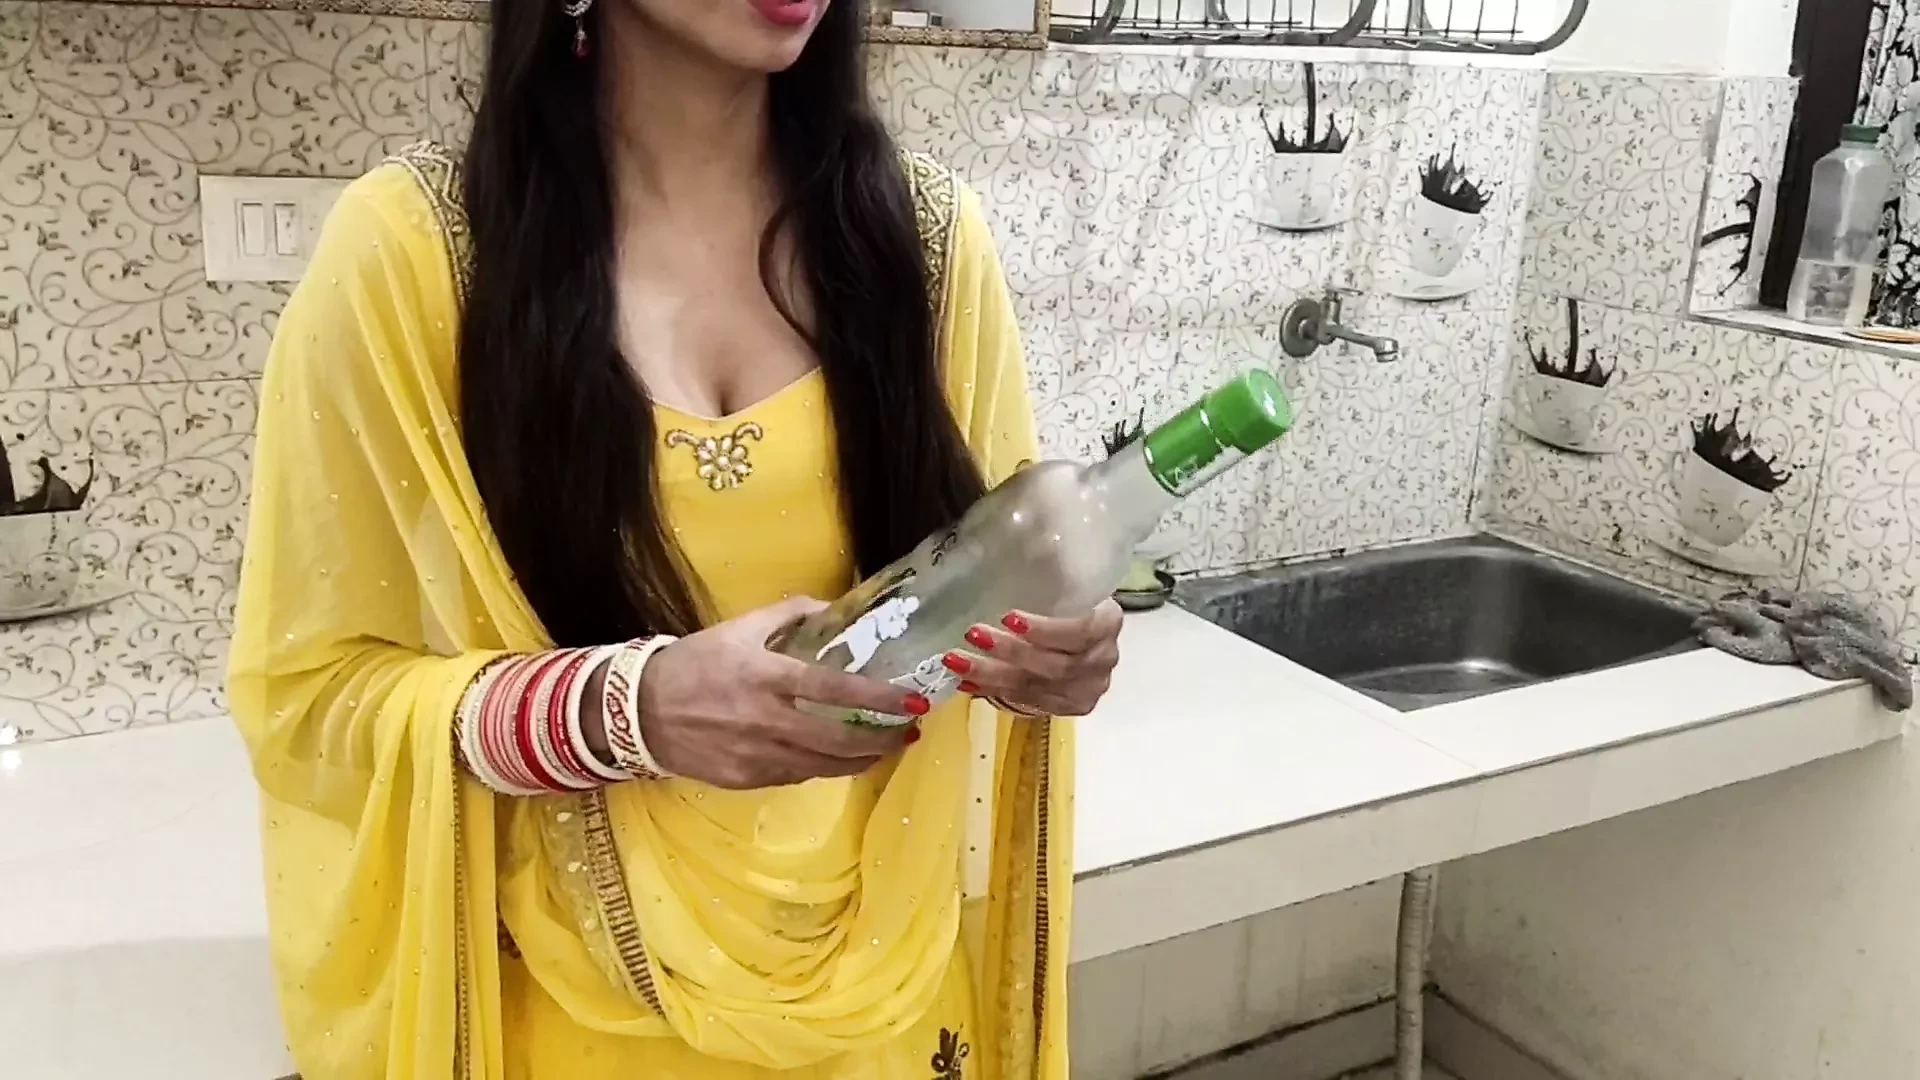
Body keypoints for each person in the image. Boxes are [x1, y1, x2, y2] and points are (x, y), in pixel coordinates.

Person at [226, 0, 1124, 1076]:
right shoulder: (421, 257)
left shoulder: (922, 245)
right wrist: (628, 709)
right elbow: (309, 699)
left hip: (884, 996)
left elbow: (968, 598)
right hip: (575, 1011)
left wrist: (1046, 656)